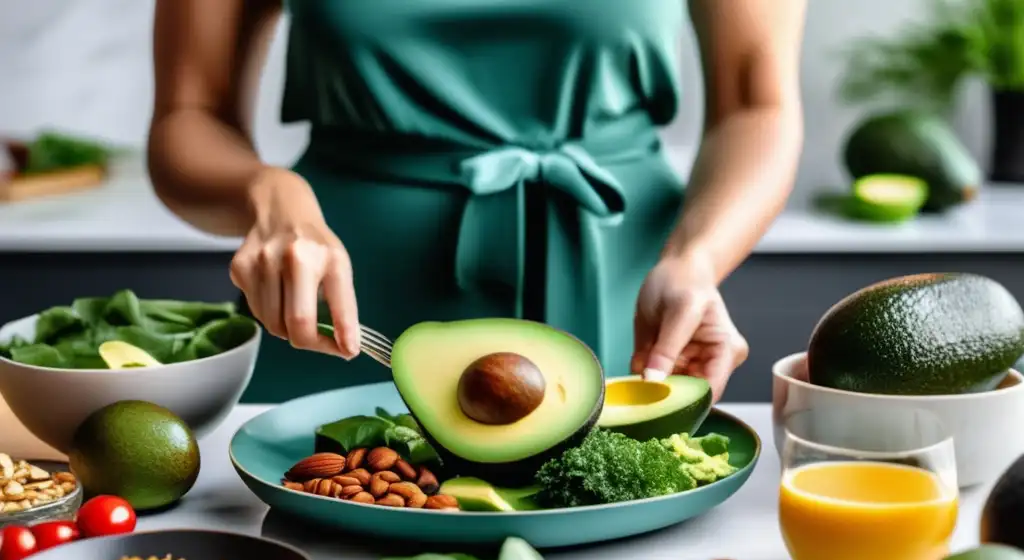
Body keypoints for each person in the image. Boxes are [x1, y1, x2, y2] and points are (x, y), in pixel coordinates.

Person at [148, 0, 805, 404]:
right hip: (334, 308)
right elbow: (188, 115)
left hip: (622, 303)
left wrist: (695, 262)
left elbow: (757, 104)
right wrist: (271, 195)